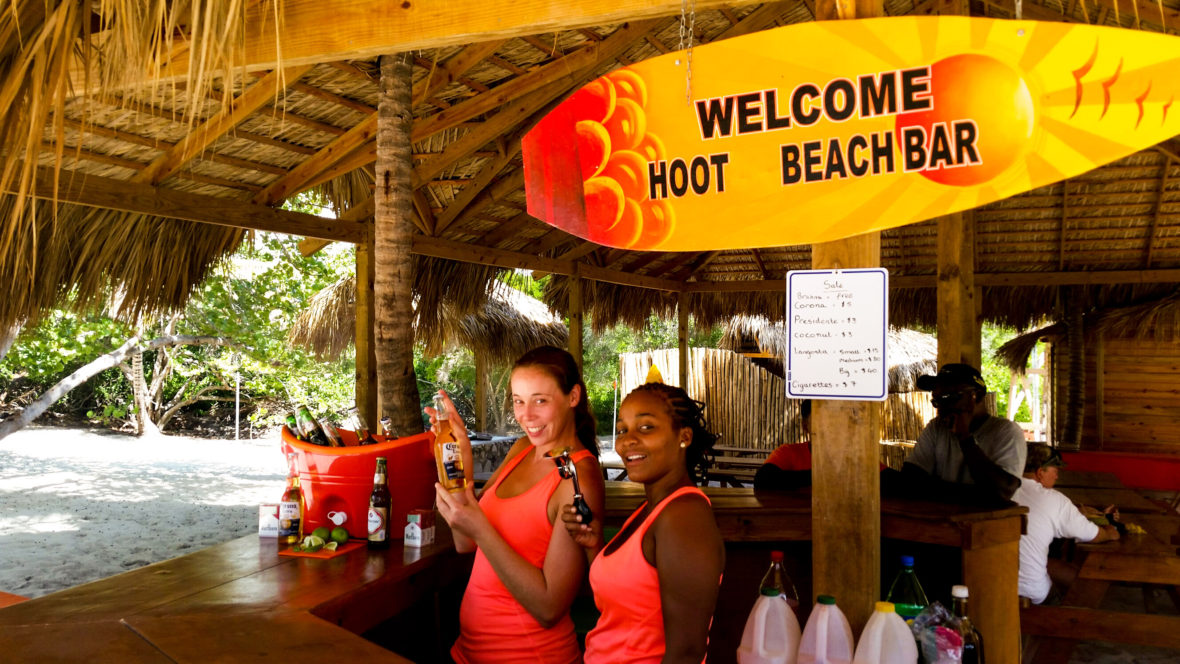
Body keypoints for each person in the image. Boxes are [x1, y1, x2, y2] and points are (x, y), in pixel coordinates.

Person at [430, 345, 605, 664]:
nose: (526, 415)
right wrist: (461, 454)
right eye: (518, 401)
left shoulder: (578, 475)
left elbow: (550, 607)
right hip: (468, 652)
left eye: (540, 400)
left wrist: (481, 531)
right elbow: (465, 542)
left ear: (573, 397)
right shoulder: (523, 449)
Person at [563, 382, 725, 664]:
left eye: (646, 427)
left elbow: (687, 652)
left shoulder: (683, 517)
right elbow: (631, 601)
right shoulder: (650, 510)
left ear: (683, 437)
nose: (627, 441)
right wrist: (593, 545)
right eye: (623, 430)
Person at [900, 363, 1027, 503]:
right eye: (936, 401)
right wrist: (976, 495)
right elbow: (910, 481)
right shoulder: (937, 428)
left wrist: (965, 439)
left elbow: (1002, 492)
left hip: (991, 523)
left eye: (949, 397)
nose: (941, 407)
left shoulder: (1006, 432)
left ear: (977, 396)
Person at [1013, 443, 1120, 604]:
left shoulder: (1002, 490)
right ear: (1040, 472)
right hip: (1032, 595)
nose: (1057, 476)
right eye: (1055, 471)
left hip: (993, 585)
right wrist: (1110, 531)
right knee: (1086, 586)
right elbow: (1093, 535)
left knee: (1052, 564)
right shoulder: (1054, 500)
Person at [754, 399, 813, 490]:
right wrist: (820, 475)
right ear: (805, 426)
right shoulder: (789, 453)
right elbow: (763, 480)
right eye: (820, 422)